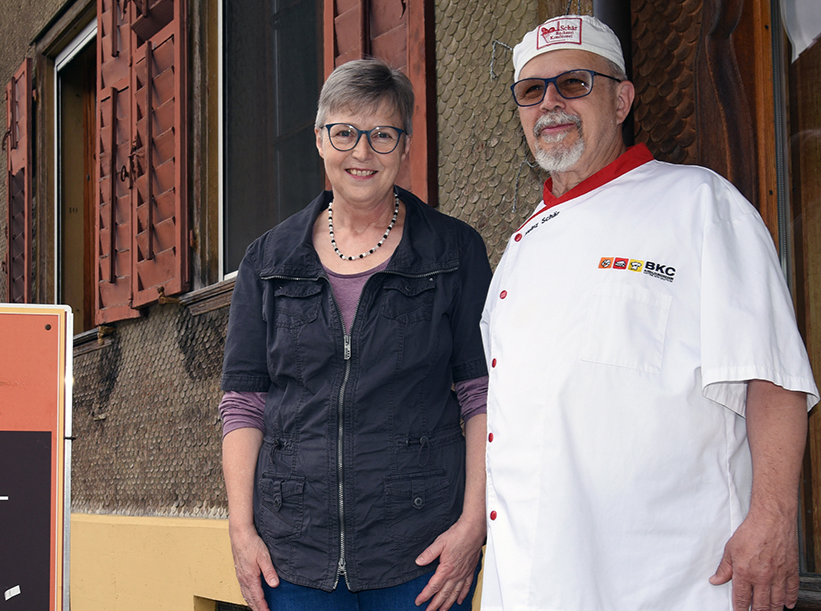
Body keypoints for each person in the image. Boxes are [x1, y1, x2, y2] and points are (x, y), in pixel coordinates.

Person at [480, 14, 820, 611]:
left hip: (676, 582)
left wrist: (773, 517)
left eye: (576, 83)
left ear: (622, 99)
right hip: (539, 585)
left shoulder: (700, 204)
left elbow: (771, 374)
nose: (551, 103)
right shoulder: (516, 253)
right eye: (532, 91)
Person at [220, 58, 491, 611]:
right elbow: (244, 402)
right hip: (293, 555)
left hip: (422, 552)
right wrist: (242, 532)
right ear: (320, 140)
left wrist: (473, 525)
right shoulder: (268, 261)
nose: (361, 153)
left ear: (405, 145)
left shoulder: (454, 253)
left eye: (382, 135)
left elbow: (481, 395)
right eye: (344, 132)